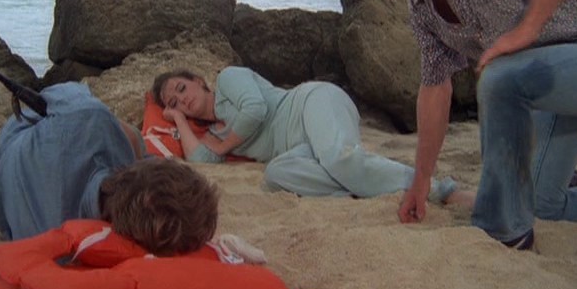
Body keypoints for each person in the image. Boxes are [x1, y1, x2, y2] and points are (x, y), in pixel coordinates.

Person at [341, 0, 577, 250]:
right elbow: (435, 87)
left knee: (500, 78)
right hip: (556, 86)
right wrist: (421, 181)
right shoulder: (420, 5)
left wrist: (527, 29)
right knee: (542, 205)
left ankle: (502, 232)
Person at [0, 81, 219, 256]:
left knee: (129, 133)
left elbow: (56, 94)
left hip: (16, 137)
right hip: (0, 196)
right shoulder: (66, 253)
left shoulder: (93, 120)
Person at [152, 66, 475, 208]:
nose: (182, 99)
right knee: (275, 174)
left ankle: (443, 191)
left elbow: (255, 110)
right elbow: (201, 160)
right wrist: (179, 120)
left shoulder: (228, 79)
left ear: (198, 81)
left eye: (182, 88)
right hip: (297, 148)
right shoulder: (211, 132)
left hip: (310, 103)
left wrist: (224, 145)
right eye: (174, 102)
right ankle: (364, 186)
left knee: (338, 158)